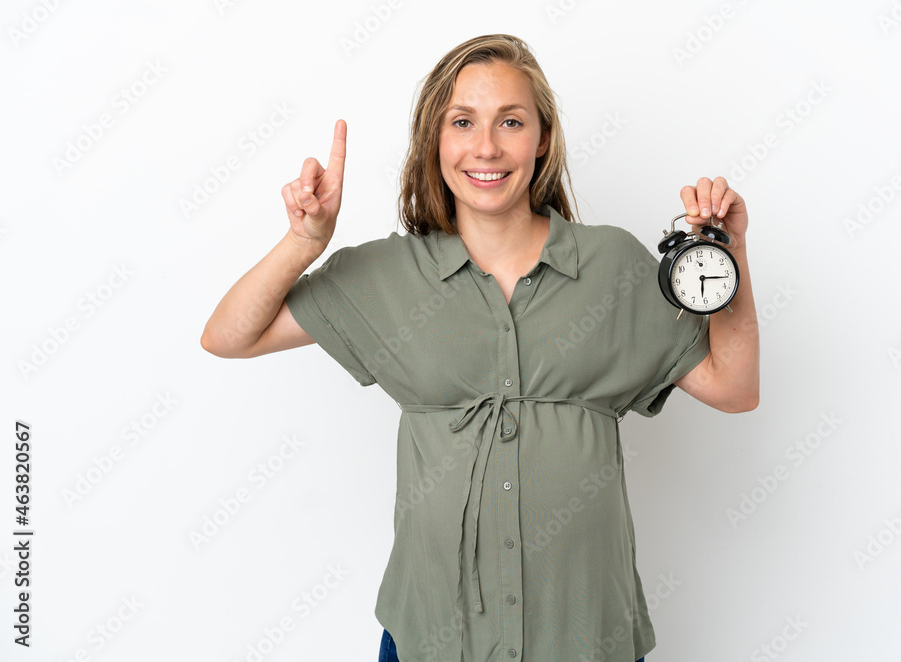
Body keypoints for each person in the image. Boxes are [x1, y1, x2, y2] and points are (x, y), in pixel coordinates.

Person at [201, 33, 758, 662]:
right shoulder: (385, 275)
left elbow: (734, 389)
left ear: (542, 138)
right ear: (434, 140)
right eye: (462, 122)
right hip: (434, 638)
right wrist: (305, 241)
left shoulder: (613, 266)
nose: (486, 147)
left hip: (582, 638)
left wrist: (728, 257)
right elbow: (228, 336)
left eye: (511, 122)